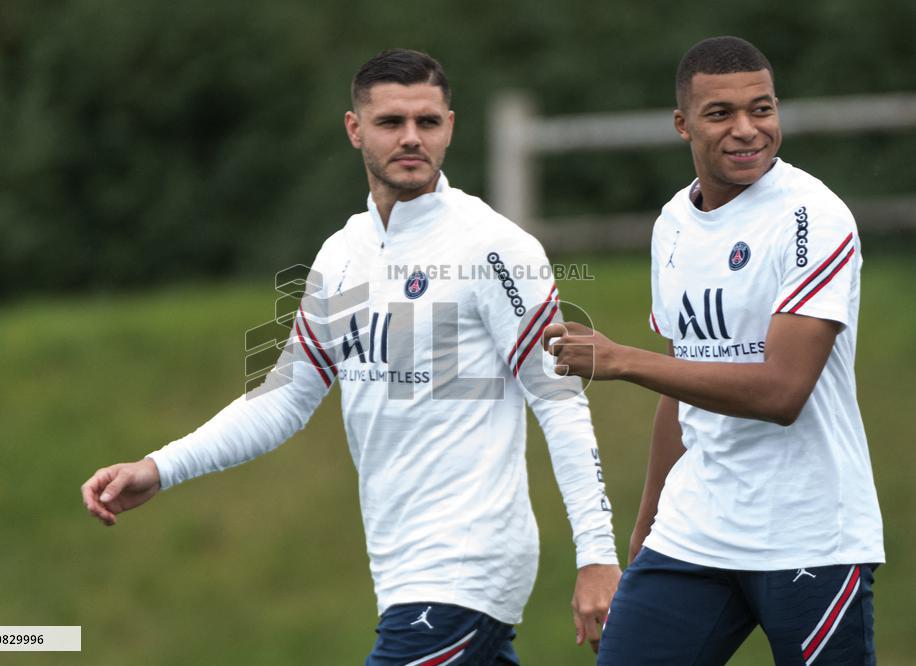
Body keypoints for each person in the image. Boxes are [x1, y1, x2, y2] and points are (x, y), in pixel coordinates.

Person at [82, 48, 621, 664]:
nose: (412, 138)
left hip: (465, 562)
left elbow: (560, 402)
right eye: (392, 122)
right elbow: (283, 399)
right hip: (399, 572)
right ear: (354, 129)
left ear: (451, 126)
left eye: (429, 121)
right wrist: (158, 467)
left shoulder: (495, 246)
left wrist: (597, 555)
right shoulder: (342, 254)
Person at [544, 36, 884, 664]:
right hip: (694, 532)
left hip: (808, 536)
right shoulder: (672, 223)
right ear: (683, 124)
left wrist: (624, 361)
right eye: (721, 113)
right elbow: (683, 387)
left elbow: (782, 392)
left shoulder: (814, 217)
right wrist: (645, 534)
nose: (748, 130)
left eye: (762, 109)